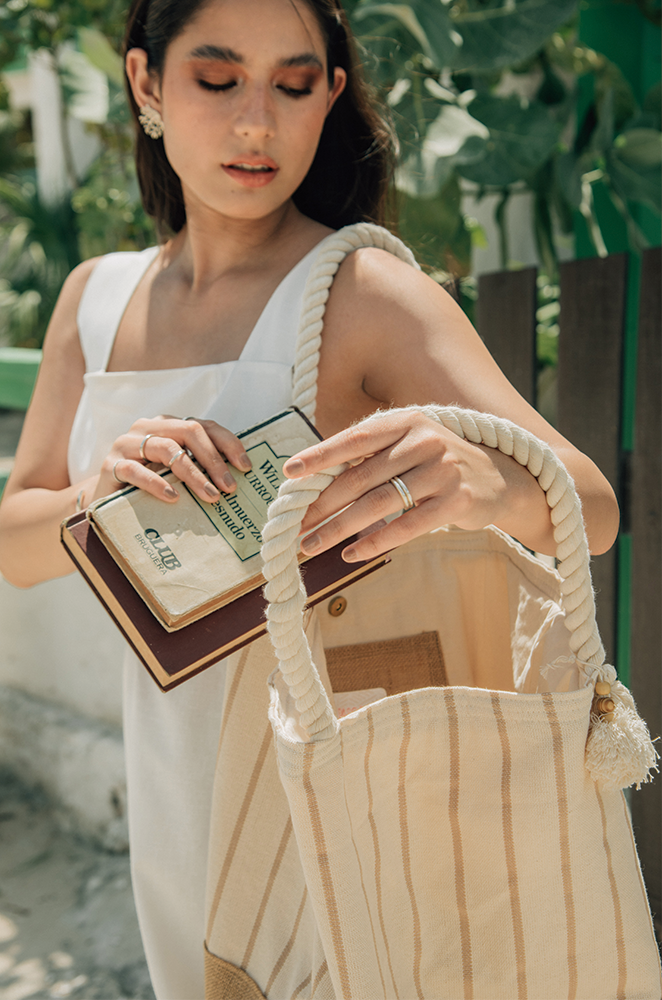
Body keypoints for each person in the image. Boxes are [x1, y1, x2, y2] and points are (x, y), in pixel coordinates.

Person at [0, 0, 619, 996]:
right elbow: (15, 543)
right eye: (217, 79)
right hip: (169, 768)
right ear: (145, 83)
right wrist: (95, 494)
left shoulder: (360, 289)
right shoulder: (95, 297)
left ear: (329, 97)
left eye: (292, 85)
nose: (257, 123)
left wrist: (480, 482)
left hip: (327, 763)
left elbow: (588, 505)